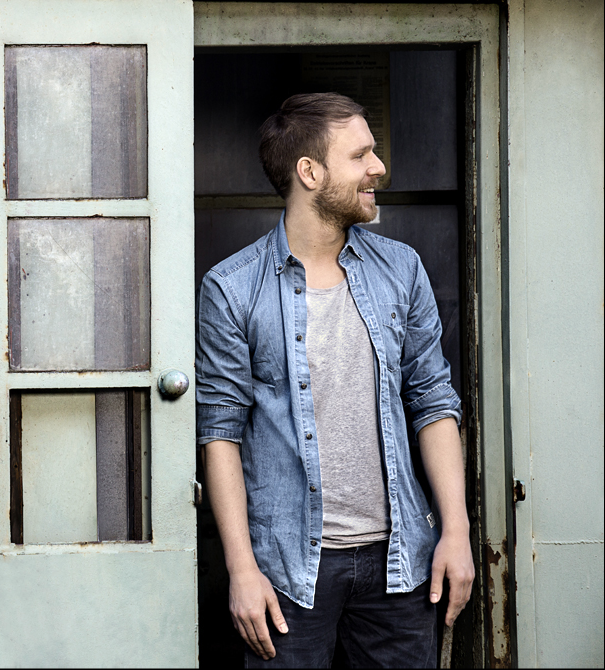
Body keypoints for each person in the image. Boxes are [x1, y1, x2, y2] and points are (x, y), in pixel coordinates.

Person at [196, 92, 474, 668]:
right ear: (310, 172)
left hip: (400, 562)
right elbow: (220, 431)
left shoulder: (401, 268)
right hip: (288, 572)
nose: (379, 167)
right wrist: (242, 569)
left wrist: (457, 531)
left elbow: (432, 401)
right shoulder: (232, 287)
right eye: (361, 155)